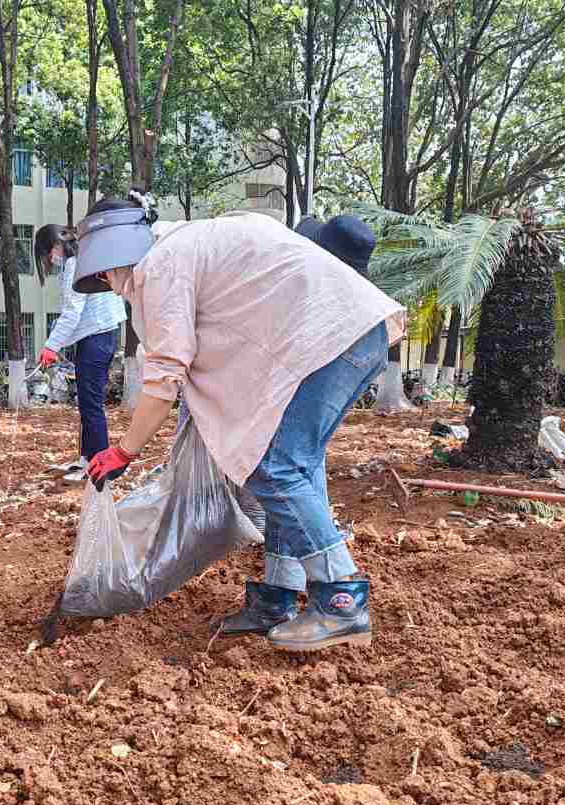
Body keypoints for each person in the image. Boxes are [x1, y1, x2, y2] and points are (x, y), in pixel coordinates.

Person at [78, 193, 405, 653]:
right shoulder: (188, 244)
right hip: (347, 338)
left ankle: (340, 600)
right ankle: (278, 596)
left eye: (109, 273)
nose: (112, 287)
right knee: (297, 468)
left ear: (121, 249)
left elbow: (166, 376)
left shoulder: (162, 263)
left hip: (331, 343)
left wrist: (124, 451)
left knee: (276, 467)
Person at [34, 223, 127, 483]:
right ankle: (87, 459)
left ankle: (99, 466)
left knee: (91, 405)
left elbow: (72, 311)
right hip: (95, 336)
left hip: (97, 337)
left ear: (54, 245)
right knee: (86, 403)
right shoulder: (83, 258)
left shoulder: (77, 263)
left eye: (48, 252)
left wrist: (52, 346)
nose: (50, 258)